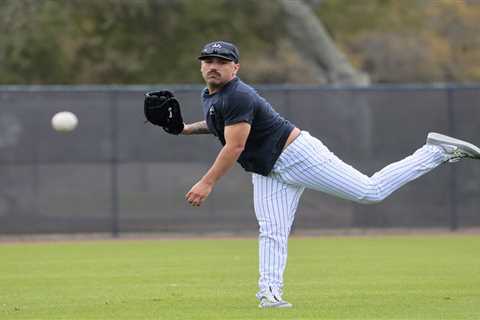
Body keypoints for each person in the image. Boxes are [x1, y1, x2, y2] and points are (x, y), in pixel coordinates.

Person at [181, 40, 480, 308]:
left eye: (221, 61)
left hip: (296, 155)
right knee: (272, 232)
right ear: (202, 66)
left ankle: (435, 152)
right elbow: (222, 125)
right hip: (267, 170)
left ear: (236, 67)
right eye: (208, 61)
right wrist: (183, 129)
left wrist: (207, 182)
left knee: (370, 191)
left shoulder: (238, 95)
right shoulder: (212, 95)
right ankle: (269, 295)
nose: (214, 66)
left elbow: (235, 145)